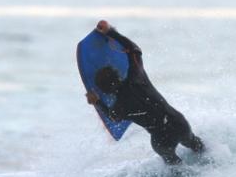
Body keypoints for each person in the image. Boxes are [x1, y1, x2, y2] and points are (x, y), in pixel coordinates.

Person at [85, 20, 204, 165]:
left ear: (105, 91)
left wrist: (96, 102)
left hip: (161, 139)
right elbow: (134, 50)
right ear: (118, 74)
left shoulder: (119, 107)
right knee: (195, 144)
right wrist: (110, 31)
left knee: (176, 167)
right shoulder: (137, 77)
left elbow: (112, 117)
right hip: (177, 122)